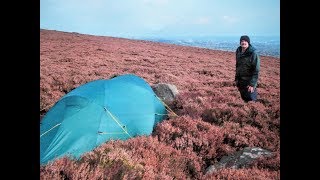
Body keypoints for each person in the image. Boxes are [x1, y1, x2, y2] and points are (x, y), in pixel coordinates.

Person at [234, 35, 260, 102]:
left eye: (245, 41)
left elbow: (256, 70)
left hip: (249, 82)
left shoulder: (253, 53)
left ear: (248, 42)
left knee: (251, 100)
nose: (243, 42)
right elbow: (238, 65)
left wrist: (252, 84)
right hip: (240, 81)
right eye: (242, 41)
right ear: (240, 42)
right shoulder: (238, 51)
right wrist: (236, 79)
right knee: (244, 99)